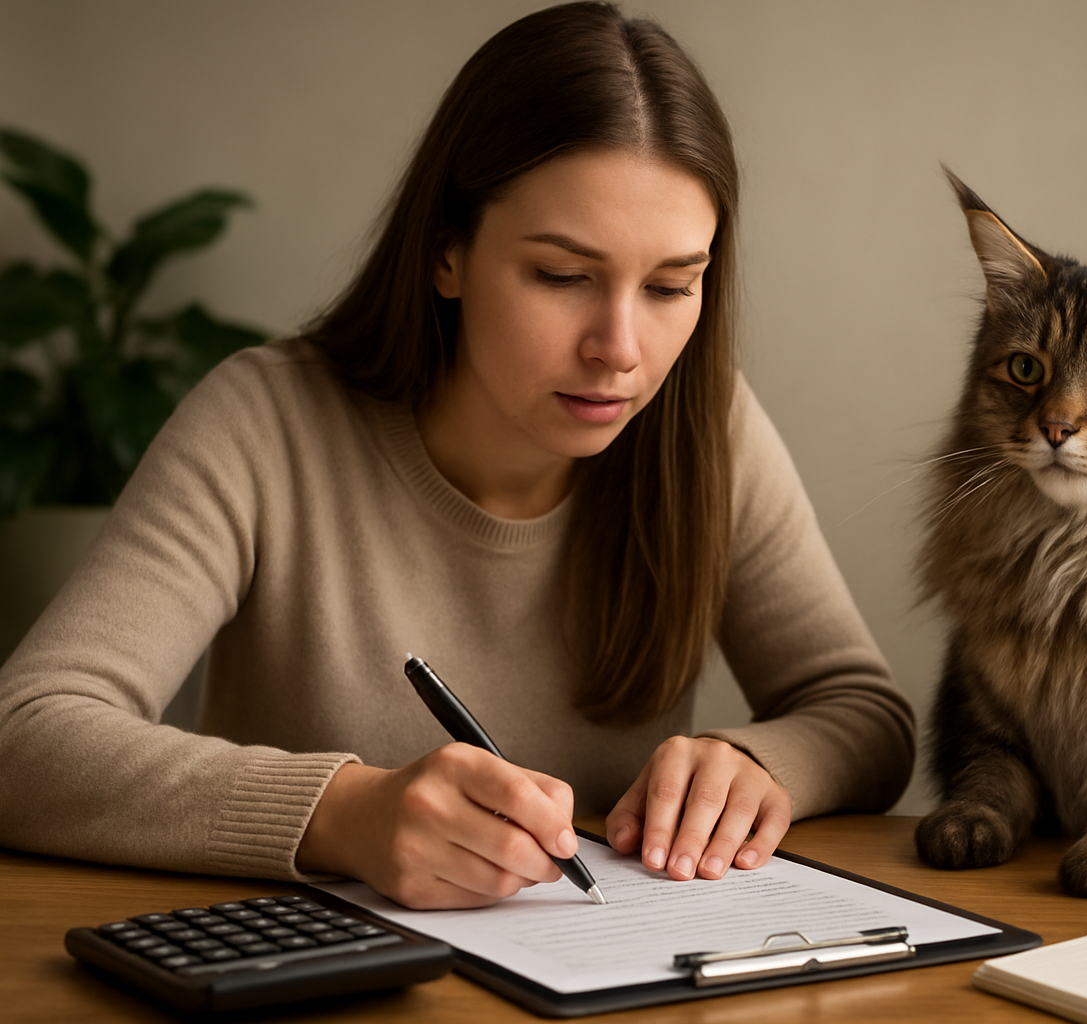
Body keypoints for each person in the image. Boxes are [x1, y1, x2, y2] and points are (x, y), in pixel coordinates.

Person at [0, 2, 914, 910]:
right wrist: (343, 814)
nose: (620, 349)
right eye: (562, 276)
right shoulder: (264, 422)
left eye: (672, 286)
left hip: (595, 968)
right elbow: (26, 735)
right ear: (447, 253)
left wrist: (753, 763)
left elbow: (862, 711)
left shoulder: (704, 424)